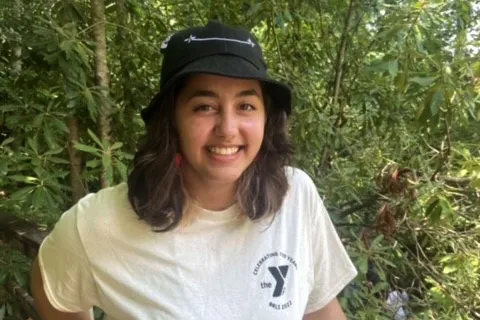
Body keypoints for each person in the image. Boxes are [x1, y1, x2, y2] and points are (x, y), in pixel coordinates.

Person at [30, 21, 357, 320]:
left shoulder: (296, 195)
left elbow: (319, 306)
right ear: (171, 120)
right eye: (205, 107)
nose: (228, 129)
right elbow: (51, 286)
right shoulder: (99, 224)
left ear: (266, 119)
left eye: (245, 106)